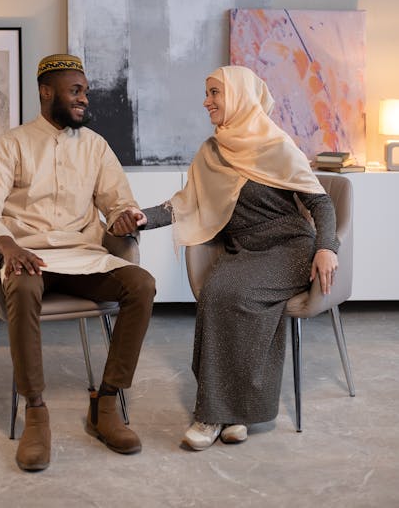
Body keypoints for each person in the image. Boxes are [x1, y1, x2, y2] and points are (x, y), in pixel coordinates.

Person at [112, 65, 339, 451]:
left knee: (229, 294)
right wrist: (143, 217)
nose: (206, 101)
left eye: (215, 93)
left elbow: (321, 203)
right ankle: (237, 414)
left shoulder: (277, 146)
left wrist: (326, 247)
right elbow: (184, 204)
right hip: (244, 249)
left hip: (290, 247)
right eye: (207, 93)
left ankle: (212, 415)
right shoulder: (212, 151)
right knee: (218, 292)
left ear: (239, 96)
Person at [0, 54, 155, 471]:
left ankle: (106, 404)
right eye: (76, 91)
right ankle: (35, 411)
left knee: (141, 285)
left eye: (85, 92)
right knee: (20, 284)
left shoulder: (95, 146)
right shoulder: (10, 146)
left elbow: (119, 202)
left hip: (83, 257)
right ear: (46, 92)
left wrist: (124, 216)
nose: (84, 100)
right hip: (30, 256)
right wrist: (9, 247)